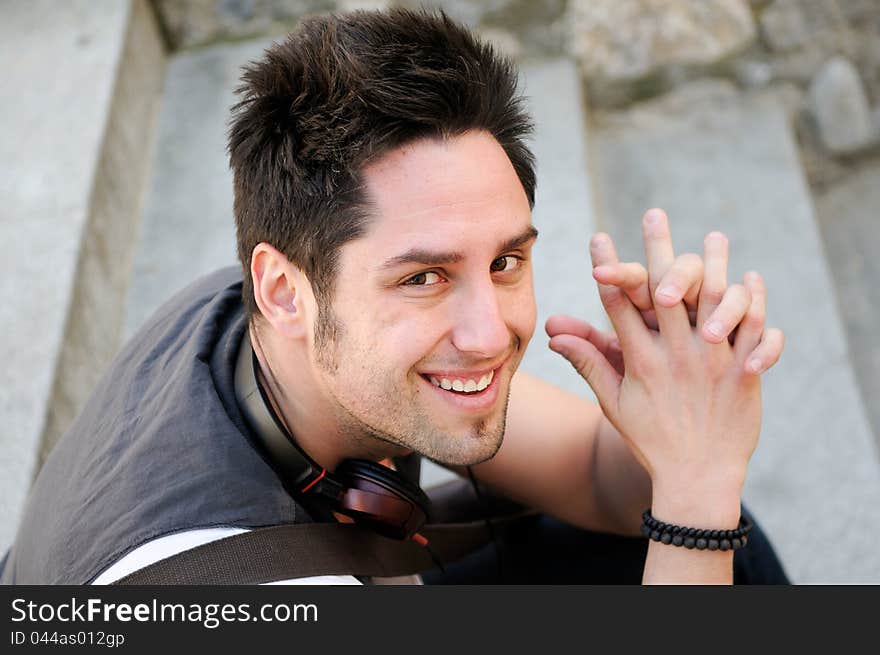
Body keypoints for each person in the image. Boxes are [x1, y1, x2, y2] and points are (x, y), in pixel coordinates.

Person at [1, 8, 787, 585]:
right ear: (284, 290)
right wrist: (696, 499)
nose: (489, 333)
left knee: (719, 536)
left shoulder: (251, 324)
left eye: (507, 260)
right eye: (423, 277)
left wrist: (682, 425)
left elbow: (591, 474)